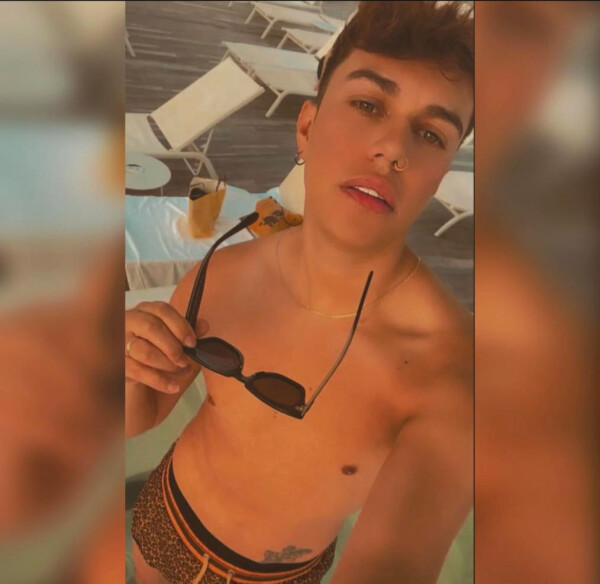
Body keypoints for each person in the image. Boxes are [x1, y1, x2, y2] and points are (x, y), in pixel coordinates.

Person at [125, 2, 474, 583]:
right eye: (368, 105)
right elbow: (142, 412)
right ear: (307, 127)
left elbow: (396, 560)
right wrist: (129, 365)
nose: (394, 148)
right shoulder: (226, 271)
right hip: (167, 516)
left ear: (440, 172)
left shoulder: (451, 367)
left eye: (430, 134)